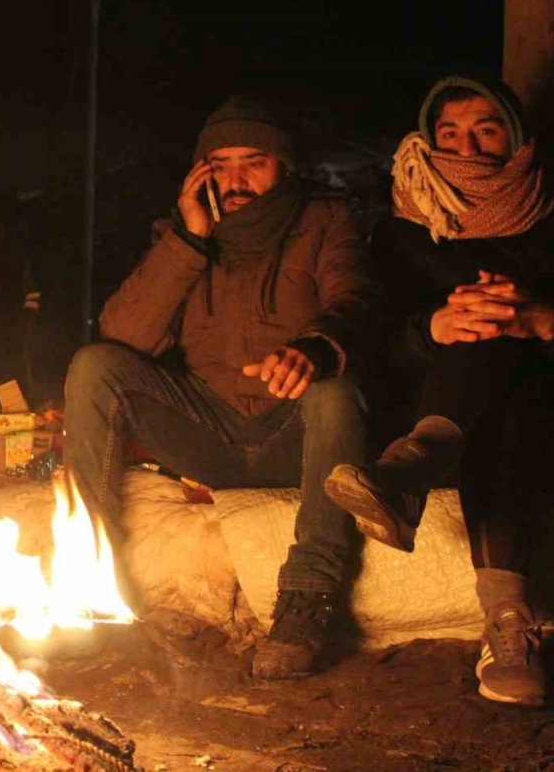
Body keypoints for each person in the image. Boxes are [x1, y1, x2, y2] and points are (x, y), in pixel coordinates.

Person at [63, 96, 380, 679]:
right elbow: (122, 334)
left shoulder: (325, 220)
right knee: (94, 367)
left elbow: (354, 301)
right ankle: (88, 581)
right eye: (220, 163)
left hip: (297, 434)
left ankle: (308, 599)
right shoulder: (182, 237)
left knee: (334, 391)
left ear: (283, 165)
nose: (235, 179)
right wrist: (188, 239)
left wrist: (314, 346)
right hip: (212, 435)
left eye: (253, 162)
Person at [324, 76, 554, 707]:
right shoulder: (401, 232)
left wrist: (545, 321)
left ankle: (410, 471)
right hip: (441, 399)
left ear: (516, 138)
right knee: (477, 335)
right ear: (428, 139)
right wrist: (432, 327)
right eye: (449, 132)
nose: (466, 145)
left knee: (502, 343)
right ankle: (511, 626)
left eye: (485, 129)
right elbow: (378, 344)